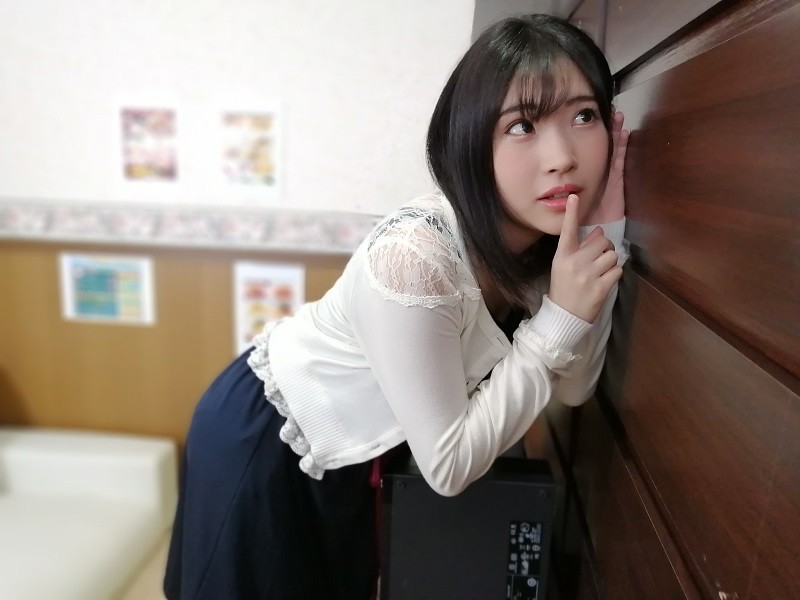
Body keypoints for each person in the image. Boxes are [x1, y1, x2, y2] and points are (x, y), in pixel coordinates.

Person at [164, 13, 630, 600]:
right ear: (470, 141)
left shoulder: (541, 246)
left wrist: (605, 232)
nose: (562, 155)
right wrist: (559, 318)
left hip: (359, 452)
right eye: (522, 125)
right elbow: (449, 466)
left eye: (583, 116)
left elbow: (576, 386)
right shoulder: (414, 258)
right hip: (270, 436)